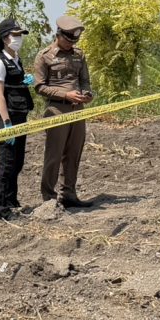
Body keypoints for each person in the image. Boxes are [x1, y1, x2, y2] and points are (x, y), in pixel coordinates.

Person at [33, 15, 94, 207]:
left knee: (74, 152)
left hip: (78, 110)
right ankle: (49, 198)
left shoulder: (79, 54)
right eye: (68, 40)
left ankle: (69, 193)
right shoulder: (44, 56)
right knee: (54, 154)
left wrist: (87, 93)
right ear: (58, 35)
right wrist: (65, 95)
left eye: (74, 41)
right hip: (56, 109)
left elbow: (84, 80)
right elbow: (39, 87)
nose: (70, 44)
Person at [0, 18, 35, 220]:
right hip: (7, 118)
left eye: (20, 35)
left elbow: (15, 85)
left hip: (20, 115)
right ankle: (1, 209)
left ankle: (11, 200)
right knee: (6, 164)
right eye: (15, 35)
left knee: (17, 162)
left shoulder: (16, 59)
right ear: (5, 38)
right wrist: (6, 124)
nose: (19, 39)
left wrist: (27, 81)